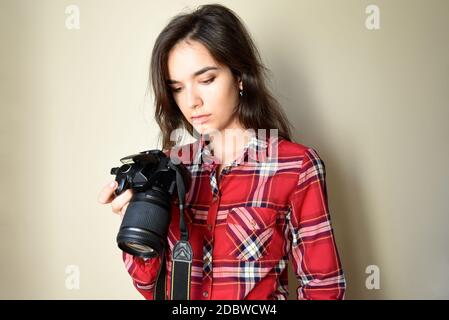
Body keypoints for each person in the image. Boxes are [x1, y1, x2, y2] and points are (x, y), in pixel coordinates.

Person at [98, 4, 346, 300]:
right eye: (177, 87)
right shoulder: (171, 168)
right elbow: (151, 289)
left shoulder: (296, 167)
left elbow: (324, 289)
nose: (191, 101)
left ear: (240, 76)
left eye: (206, 80)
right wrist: (139, 222)